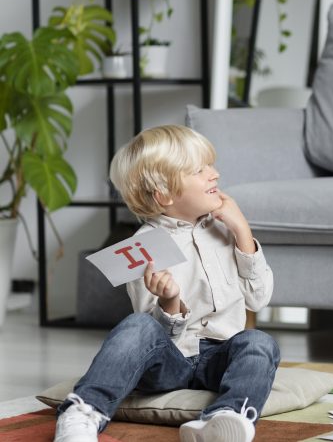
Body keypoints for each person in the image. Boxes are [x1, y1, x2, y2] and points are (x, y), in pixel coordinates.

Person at [54, 125, 280, 442]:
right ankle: (82, 413)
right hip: (170, 363)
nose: (214, 174)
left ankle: (227, 418)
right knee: (137, 325)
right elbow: (152, 337)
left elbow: (258, 300)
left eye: (210, 165)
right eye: (200, 170)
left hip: (219, 358)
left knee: (259, 343)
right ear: (166, 194)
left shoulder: (226, 230)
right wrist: (170, 302)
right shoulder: (142, 248)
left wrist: (242, 232)